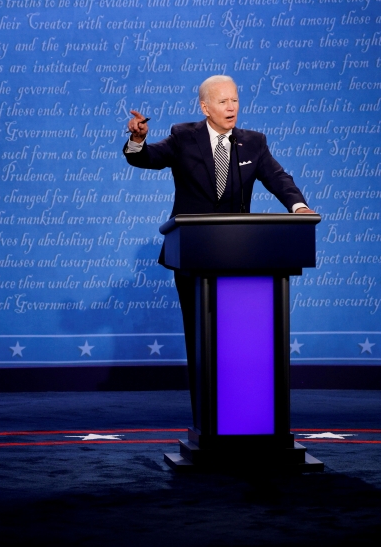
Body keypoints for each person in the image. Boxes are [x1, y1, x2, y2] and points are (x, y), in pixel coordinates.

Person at [122, 74, 315, 426]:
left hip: (241, 257)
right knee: (201, 338)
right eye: (223, 101)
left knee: (239, 342)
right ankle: (206, 422)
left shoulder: (253, 143)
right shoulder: (184, 136)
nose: (231, 107)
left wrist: (298, 206)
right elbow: (147, 158)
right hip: (191, 255)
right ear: (205, 107)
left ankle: (243, 417)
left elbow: (278, 178)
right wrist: (137, 140)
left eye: (235, 100)